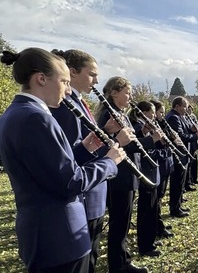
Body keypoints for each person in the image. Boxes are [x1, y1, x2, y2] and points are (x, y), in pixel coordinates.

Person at [0, 48, 124, 273]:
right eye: (65, 82)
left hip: (46, 234)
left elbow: (51, 168)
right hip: (60, 236)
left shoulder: (15, 112)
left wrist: (87, 148)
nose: (68, 91)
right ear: (41, 79)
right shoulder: (37, 118)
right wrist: (109, 162)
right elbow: (69, 182)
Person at [49, 49, 135, 273]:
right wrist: (115, 143)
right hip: (85, 192)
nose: (97, 81)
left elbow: (86, 142)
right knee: (87, 258)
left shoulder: (78, 102)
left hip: (94, 189)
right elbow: (72, 156)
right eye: (92, 74)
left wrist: (106, 131)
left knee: (92, 254)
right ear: (72, 72)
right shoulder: (65, 106)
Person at [97, 76, 153, 273]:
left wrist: (144, 136)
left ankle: (123, 260)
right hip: (118, 176)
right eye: (127, 92)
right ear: (114, 93)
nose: (130, 96)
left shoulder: (122, 113)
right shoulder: (108, 115)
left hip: (127, 174)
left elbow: (132, 141)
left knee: (124, 221)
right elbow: (118, 144)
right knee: (119, 222)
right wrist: (152, 141)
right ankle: (119, 265)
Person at [129, 101, 165, 257]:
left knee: (151, 208)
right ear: (143, 113)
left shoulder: (144, 127)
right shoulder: (137, 127)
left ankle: (150, 239)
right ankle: (145, 245)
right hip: (145, 171)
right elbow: (142, 150)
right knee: (146, 210)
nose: (154, 115)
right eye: (151, 112)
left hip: (151, 171)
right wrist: (150, 137)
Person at [166, 96, 198, 217]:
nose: (186, 109)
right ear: (177, 106)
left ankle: (178, 204)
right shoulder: (173, 117)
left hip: (183, 154)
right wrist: (195, 136)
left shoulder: (180, 117)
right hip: (178, 155)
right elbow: (180, 136)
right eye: (184, 106)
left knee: (180, 182)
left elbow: (186, 132)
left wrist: (193, 130)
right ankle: (174, 209)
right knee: (176, 182)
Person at [150, 99, 176, 239]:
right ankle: (157, 226)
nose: (160, 115)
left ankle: (158, 223)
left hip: (165, 164)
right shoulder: (150, 127)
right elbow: (155, 148)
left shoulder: (160, 124)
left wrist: (171, 139)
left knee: (159, 197)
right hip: (158, 164)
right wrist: (167, 149)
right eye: (160, 112)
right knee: (156, 199)